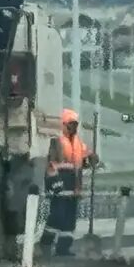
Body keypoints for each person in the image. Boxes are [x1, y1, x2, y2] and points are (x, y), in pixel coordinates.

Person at [40, 108, 98, 257]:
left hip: (73, 187)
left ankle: (63, 248)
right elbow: (51, 165)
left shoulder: (78, 142)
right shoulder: (57, 141)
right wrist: (54, 184)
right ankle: (46, 243)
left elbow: (85, 156)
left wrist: (92, 158)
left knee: (70, 220)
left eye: (75, 125)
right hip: (59, 186)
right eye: (71, 124)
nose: (74, 127)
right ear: (64, 125)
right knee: (57, 216)